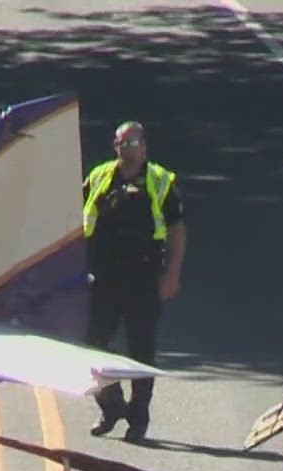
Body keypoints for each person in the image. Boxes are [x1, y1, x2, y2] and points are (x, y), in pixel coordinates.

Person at [82, 120, 186, 443]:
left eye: (133, 143)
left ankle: (138, 419)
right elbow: (74, 218)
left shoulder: (160, 181)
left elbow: (177, 231)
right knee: (91, 345)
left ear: (144, 146)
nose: (127, 149)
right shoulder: (100, 177)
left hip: (143, 277)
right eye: (121, 143)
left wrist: (172, 274)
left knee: (141, 351)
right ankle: (110, 404)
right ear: (114, 146)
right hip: (104, 277)